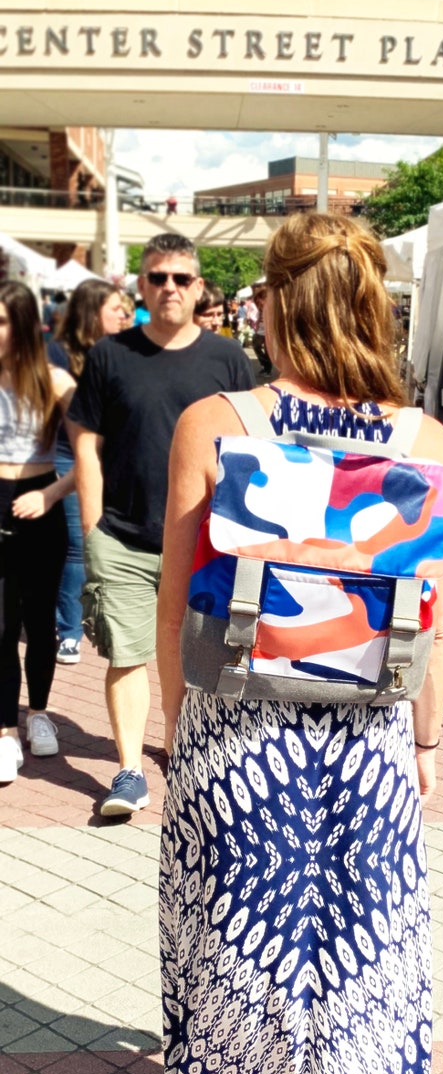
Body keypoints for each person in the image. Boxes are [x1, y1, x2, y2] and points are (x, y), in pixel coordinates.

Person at [157, 212, 443, 1074]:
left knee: (238, 932)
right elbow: (435, 623)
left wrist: (173, 726)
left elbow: (175, 602)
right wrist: (423, 745)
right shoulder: (423, 442)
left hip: (239, 730)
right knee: (346, 955)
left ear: (274, 302)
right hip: (366, 733)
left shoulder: (217, 421)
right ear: (372, 299)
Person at [67, 233, 254, 819]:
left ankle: (180, 747)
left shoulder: (227, 359)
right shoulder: (110, 355)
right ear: (140, 286)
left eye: (180, 278)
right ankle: (127, 771)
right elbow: (87, 448)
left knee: (198, 652)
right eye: (156, 277)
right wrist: (94, 529)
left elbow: (253, 449)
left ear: (197, 287)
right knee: (126, 653)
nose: (168, 287)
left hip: (204, 539)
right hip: (122, 535)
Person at [0, 281, 76, 781]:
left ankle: (40, 714)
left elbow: (95, 458)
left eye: (3, 321)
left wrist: (50, 494)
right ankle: (6, 731)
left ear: (25, 324)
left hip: (41, 500)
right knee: (2, 624)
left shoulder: (56, 381)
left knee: (41, 619)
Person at [47, 280, 128, 664]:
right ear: (93, 312)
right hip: (69, 457)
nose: (125, 316)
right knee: (80, 545)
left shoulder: (124, 351)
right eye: (116, 308)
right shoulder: (57, 355)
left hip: (114, 457)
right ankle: (69, 631)